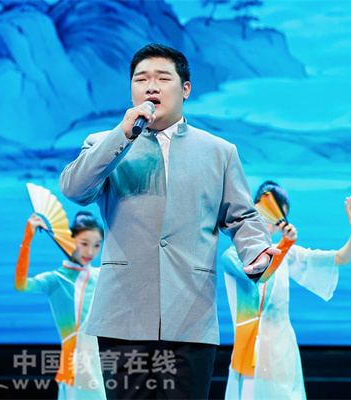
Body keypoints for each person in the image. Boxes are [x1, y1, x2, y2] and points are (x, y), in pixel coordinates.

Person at [59, 43, 278, 399]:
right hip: (122, 315)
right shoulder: (104, 145)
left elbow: (241, 215)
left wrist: (256, 251)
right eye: (141, 79)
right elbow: (75, 189)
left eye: (163, 78)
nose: (151, 87)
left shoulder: (219, 152)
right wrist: (122, 135)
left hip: (191, 314)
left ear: (185, 89)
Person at [222, 181, 351, 399]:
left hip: (282, 354)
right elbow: (261, 274)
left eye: (276, 217)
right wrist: (285, 245)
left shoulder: (286, 253)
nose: (270, 223)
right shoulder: (232, 255)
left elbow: (341, 258)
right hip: (251, 353)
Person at [14, 211, 106, 399]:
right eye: (84, 244)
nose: (90, 252)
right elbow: (21, 284)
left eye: (97, 245)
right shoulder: (56, 279)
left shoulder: (102, 276)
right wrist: (28, 237)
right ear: (69, 240)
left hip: (102, 360)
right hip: (75, 363)